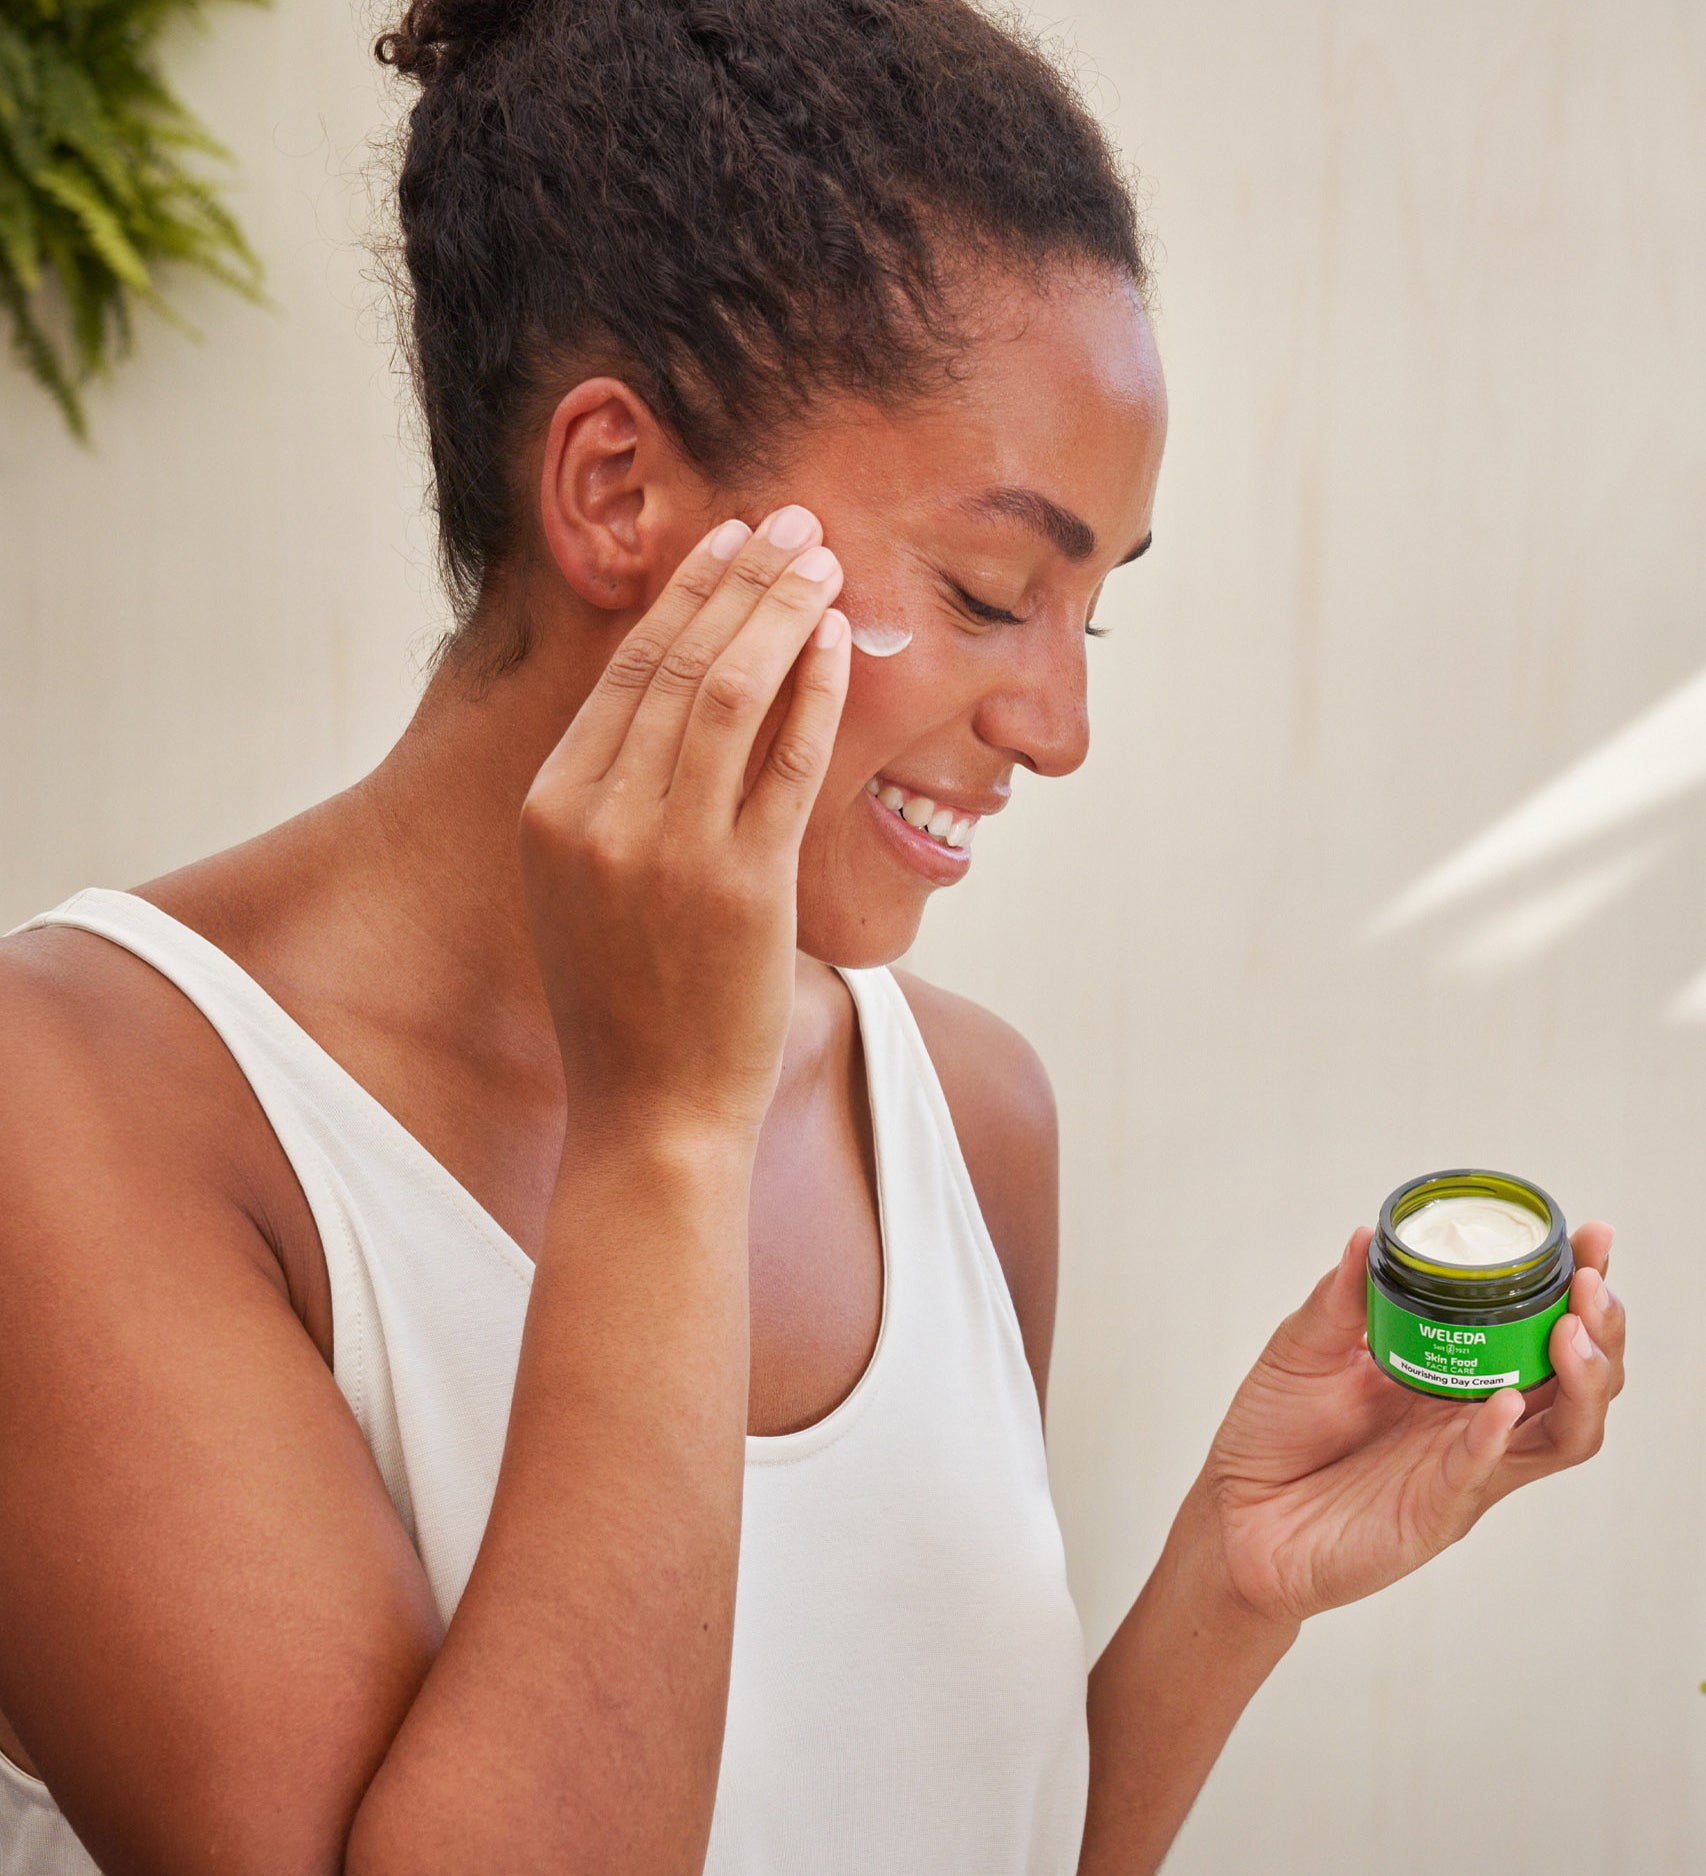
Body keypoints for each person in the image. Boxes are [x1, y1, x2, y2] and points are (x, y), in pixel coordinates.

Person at [0, 1, 1625, 1871]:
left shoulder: (960, 1108)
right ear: (615, 488)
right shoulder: (84, 1102)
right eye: (988, 589)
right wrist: (666, 1133)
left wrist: (1231, 1585)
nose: (1058, 727)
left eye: (1085, 618)